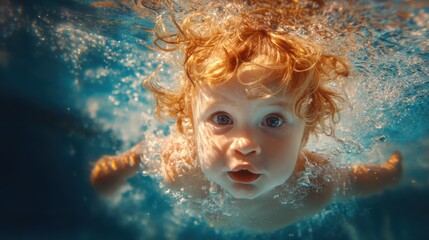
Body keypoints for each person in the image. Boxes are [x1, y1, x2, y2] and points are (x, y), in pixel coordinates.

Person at [90, 1, 402, 232]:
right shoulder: (178, 164)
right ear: (190, 124)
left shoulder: (314, 186)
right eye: (222, 119)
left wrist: (390, 173)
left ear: (306, 132)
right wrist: (110, 176)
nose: (245, 144)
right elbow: (140, 157)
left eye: (273, 121)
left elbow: (355, 181)